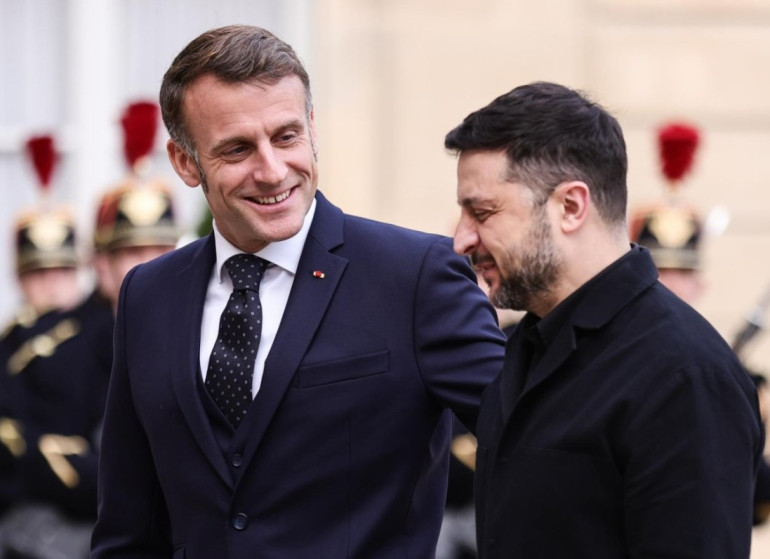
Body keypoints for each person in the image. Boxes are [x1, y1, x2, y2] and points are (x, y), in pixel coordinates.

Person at [90, 24, 505, 558]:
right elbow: (128, 527)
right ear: (185, 162)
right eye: (237, 149)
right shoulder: (147, 295)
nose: (271, 171)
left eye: (286, 137)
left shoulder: (416, 276)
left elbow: (534, 443)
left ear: (312, 128)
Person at [445, 81, 764, 558]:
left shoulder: (683, 375)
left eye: (483, 212)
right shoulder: (525, 346)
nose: (461, 240)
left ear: (571, 206)